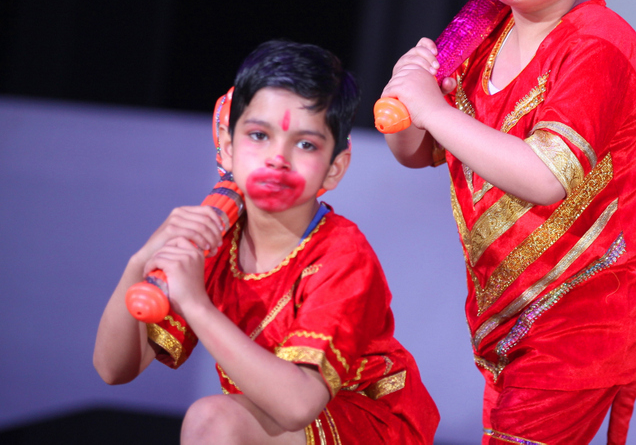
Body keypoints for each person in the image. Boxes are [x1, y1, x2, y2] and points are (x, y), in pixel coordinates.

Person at [381, 0, 636, 445]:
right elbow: (415, 152)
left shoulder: (598, 46)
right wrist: (409, 93)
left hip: (586, 319)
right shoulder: (481, 33)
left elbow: (544, 176)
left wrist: (431, 107)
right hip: (512, 318)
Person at [94, 40, 439, 444]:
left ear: (334, 168)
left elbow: (298, 405)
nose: (278, 158)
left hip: (367, 422)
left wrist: (195, 304)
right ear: (228, 147)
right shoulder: (217, 240)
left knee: (213, 419)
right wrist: (140, 263)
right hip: (283, 420)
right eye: (259, 135)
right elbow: (114, 370)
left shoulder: (343, 254)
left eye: (306, 144)